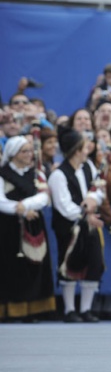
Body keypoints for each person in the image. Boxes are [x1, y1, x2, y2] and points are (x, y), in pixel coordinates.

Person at [48, 126, 105, 323]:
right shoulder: (58, 175)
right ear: (75, 150)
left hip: (89, 225)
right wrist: (85, 214)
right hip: (69, 227)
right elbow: (63, 205)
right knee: (69, 263)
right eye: (83, 146)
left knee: (94, 263)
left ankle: (86, 309)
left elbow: (98, 188)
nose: (87, 149)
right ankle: (70, 309)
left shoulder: (88, 166)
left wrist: (93, 199)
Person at [0, 136, 55, 322]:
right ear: (13, 154)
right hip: (8, 227)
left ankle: (32, 309)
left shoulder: (36, 173)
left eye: (30, 151)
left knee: (33, 266)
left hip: (33, 224)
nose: (29, 155)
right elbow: (1, 201)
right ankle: (10, 309)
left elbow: (44, 197)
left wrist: (24, 206)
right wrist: (21, 211)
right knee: (9, 267)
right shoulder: (2, 173)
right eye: (24, 151)